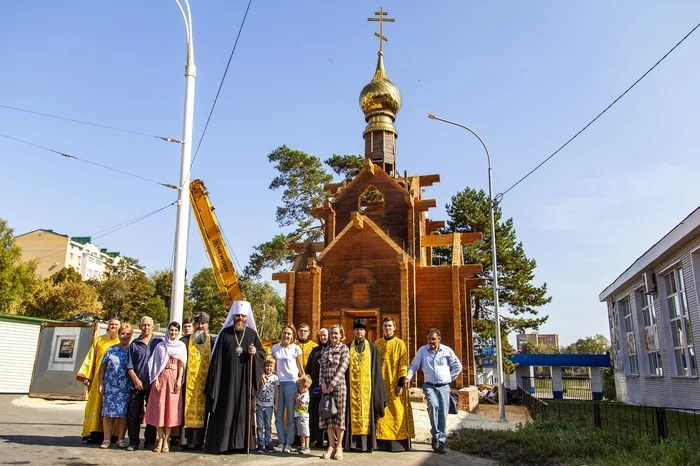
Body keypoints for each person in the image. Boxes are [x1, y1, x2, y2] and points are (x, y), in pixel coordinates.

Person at [204, 300, 265, 454]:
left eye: (243, 316)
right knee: (226, 410)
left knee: (243, 412)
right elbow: (217, 359)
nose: (240, 318)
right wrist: (216, 382)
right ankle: (223, 444)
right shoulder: (225, 334)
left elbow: (262, 354)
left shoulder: (252, 334)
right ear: (233, 315)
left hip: (245, 382)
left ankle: (242, 444)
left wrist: (255, 354)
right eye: (237, 315)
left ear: (246, 317)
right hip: (227, 382)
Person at [404, 328, 462, 455]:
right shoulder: (423, 351)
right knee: (433, 406)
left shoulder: (446, 351)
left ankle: (441, 441)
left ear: (439, 339)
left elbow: (458, 365)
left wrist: (450, 378)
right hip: (429, 385)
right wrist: (408, 377)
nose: (431, 341)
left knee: (443, 413)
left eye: (433, 339)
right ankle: (435, 434)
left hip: (444, 387)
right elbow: (414, 365)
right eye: (429, 339)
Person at [343, 318, 387, 453]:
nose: (359, 332)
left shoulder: (372, 348)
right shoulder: (347, 347)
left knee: (368, 416)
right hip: (351, 390)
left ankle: (367, 444)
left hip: (367, 391)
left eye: (361, 329)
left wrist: (377, 391)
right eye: (356, 330)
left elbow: (376, 371)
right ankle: (350, 444)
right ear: (353, 331)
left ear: (365, 331)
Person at [144, 322, 187, 453]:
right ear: (168, 330)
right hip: (161, 378)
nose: (173, 333)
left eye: (175, 331)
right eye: (171, 330)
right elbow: (155, 363)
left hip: (173, 378)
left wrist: (179, 380)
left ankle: (166, 440)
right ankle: (160, 439)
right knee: (160, 409)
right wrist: (156, 380)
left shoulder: (181, 346)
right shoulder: (160, 346)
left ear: (178, 332)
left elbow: (181, 364)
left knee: (170, 410)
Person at [77, 317, 120, 442]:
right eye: (111, 324)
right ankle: (94, 432)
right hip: (98, 378)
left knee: (113, 406)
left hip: (115, 380)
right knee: (96, 404)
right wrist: (87, 375)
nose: (113, 326)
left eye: (116, 324)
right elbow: (90, 358)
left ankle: (112, 434)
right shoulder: (99, 341)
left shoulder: (122, 341)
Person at [374, 317, 415, 452]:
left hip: (395, 384)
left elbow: (403, 363)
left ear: (395, 327)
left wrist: (400, 383)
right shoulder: (377, 344)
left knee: (397, 412)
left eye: (390, 326)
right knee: (382, 413)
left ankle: (398, 442)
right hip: (381, 384)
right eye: (385, 326)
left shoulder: (400, 344)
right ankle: (382, 442)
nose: (387, 328)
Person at [179, 311, 215, 450]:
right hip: (187, 383)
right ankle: (184, 441)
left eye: (203, 323)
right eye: (198, 323)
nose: (200, 326)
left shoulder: (212, 342)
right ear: (194, 325)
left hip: (204, 383)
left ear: (207, 325)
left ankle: (199, 442)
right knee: (185, 410)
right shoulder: (185, 341)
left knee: (202, 412)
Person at [125, 316, 162, 451]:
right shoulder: (134, 344)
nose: (146, 327)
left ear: (153, 327)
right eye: (144, 325)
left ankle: (149, 442)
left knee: (151, 415)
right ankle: (133, 442)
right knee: (134, 415)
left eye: (148, 325)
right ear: (140, 327)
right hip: (137, 385)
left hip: (153, 384)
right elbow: (129, 366)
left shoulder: (158, 342)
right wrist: (136, 380)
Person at [97, 323, 133, 449]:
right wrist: (100, 383)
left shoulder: (132, 350)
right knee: (108, 413)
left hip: (126, 387)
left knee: (123, 415)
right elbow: (102, 367)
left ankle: (121, 438)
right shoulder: (111, 350)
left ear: (131, 335)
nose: (125, 336)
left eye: (128, 334)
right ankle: (106, 439)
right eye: (122, 333)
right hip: (111, 386)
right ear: (118, 334)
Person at [272, 324, 305, 453]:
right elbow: (271, 365)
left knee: (291, 415)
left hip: (292, 384)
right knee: (278, 414)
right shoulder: (275, 348)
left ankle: (289, 443)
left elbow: (300, 367)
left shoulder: (296, 349)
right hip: (278, 384)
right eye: (285, 333)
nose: (286, 336)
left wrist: (304, 384)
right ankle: (281, 441)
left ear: (292, 336)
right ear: (281, 334)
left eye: (289, 334)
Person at [319, 324, 350, 460]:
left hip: (339, 387)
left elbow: (343, 366)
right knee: (328, 417)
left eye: (336, 334)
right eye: (332, 334)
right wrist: (323, 384)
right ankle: (330, 446)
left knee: (339, 417)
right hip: (326, 389)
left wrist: (332, 383)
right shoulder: (325, 350)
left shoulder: (344, 348)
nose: (333, 336)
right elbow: (321, 368)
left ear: (341, 335)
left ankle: (339, 447)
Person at [306, 328, 329, 448]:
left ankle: (329, 440)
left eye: (325, 335)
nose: (323, 338)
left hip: (328, 388)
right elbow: (309, 369)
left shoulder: (332, 349)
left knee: (328, 413)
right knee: (315, 413)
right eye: (320, 336)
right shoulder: (315, 351)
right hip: (315, 388)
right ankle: (316, 439)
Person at [255, 355, 278, 453]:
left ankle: (268, 443)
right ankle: (260, 443)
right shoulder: (261, 376)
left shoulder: (275, 378)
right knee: (260, 425)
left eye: (271, 366)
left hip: (269, 405)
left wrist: (276, 404)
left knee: (268, 425)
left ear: (274, 367)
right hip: (260, 404)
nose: (269, 368)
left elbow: (277, 392)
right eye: (267, 366)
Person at [294, 374, 312, 454]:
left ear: (305, 386)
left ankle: (307, 446)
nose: (298, 388)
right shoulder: (302, 394)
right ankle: (303, 445)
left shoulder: (305, 395)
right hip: (299, 415)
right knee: (301, 432)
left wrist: (297, 399)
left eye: (299, 386)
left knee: (305, 432)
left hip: (303, 416)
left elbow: (300, 405)